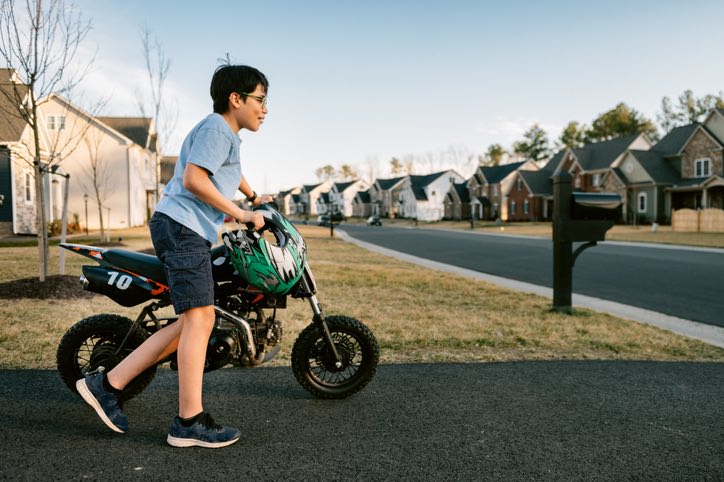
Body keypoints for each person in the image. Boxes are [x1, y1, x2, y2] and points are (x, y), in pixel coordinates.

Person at [75, 64, 273, 448]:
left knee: (191, 322)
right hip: (183, 228)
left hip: (182, 228)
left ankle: (107, 384)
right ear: (236, 99)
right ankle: (188, 421)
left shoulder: (223, 133)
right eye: (260, 100)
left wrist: (252, 196)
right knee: (201, 318)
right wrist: (242, 214)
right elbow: (195, 179)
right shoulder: (218, 128)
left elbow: (227, 171)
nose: (265, 109)